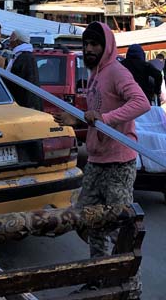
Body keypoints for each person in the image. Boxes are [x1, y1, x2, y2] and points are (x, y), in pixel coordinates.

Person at [54, 21, 150, 295]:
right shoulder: (94, 75)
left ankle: (129, 286)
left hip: (119, 161)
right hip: (97, 160)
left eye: (95, 44)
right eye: (86, 44)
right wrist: (76, 117)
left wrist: (106, 120)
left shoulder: (117, 71)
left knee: (121, 228)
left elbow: (141, 102)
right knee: (89, 220)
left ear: (106, 46)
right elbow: (93, 112)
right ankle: (98, 277)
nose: (90, 49)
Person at [5, 29, 41, 110]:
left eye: (11, 38)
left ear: (17, 41)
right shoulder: (20, 55)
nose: (9, 41)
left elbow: (27, 82)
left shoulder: (25, 57)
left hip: (25, 105)